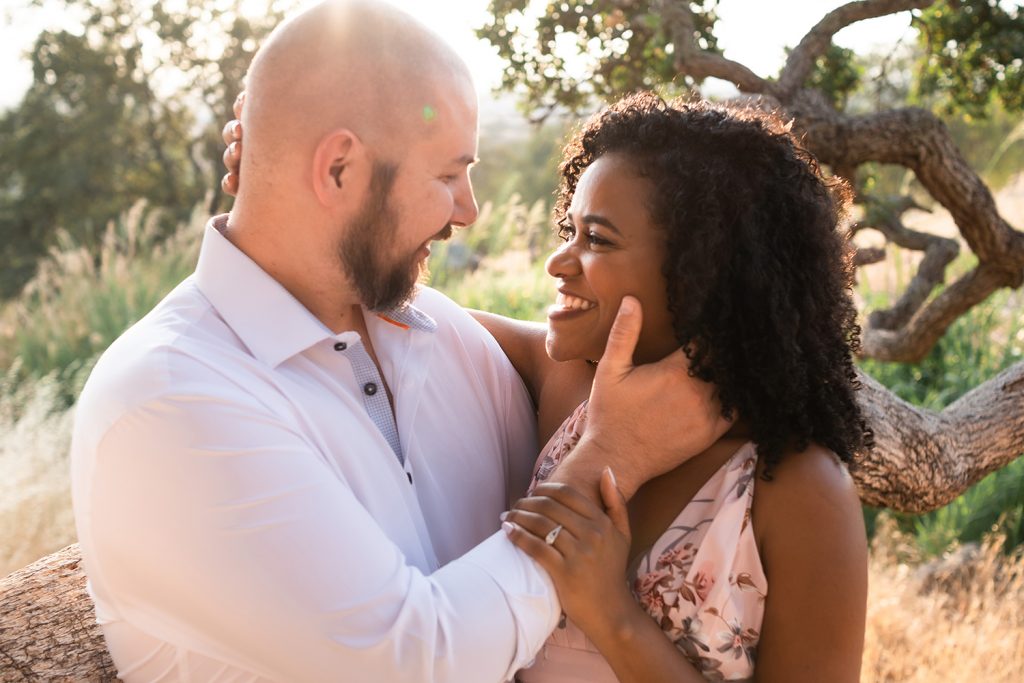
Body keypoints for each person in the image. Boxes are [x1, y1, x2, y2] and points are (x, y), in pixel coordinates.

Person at [70, 2, 725, 682]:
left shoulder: (436, 334)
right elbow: (416, 662)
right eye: (447, 175)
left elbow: (568, 365)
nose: (468, 211)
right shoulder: (169, 402)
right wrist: (612, 456)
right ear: (339, 171)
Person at [483, 95, 871, 681]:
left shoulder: (797, 491)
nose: (559, 262)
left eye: (599, 239)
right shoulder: (567, 387)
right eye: (570, 229)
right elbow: (409, 315)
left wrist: (613, 616)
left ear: (704, 273)